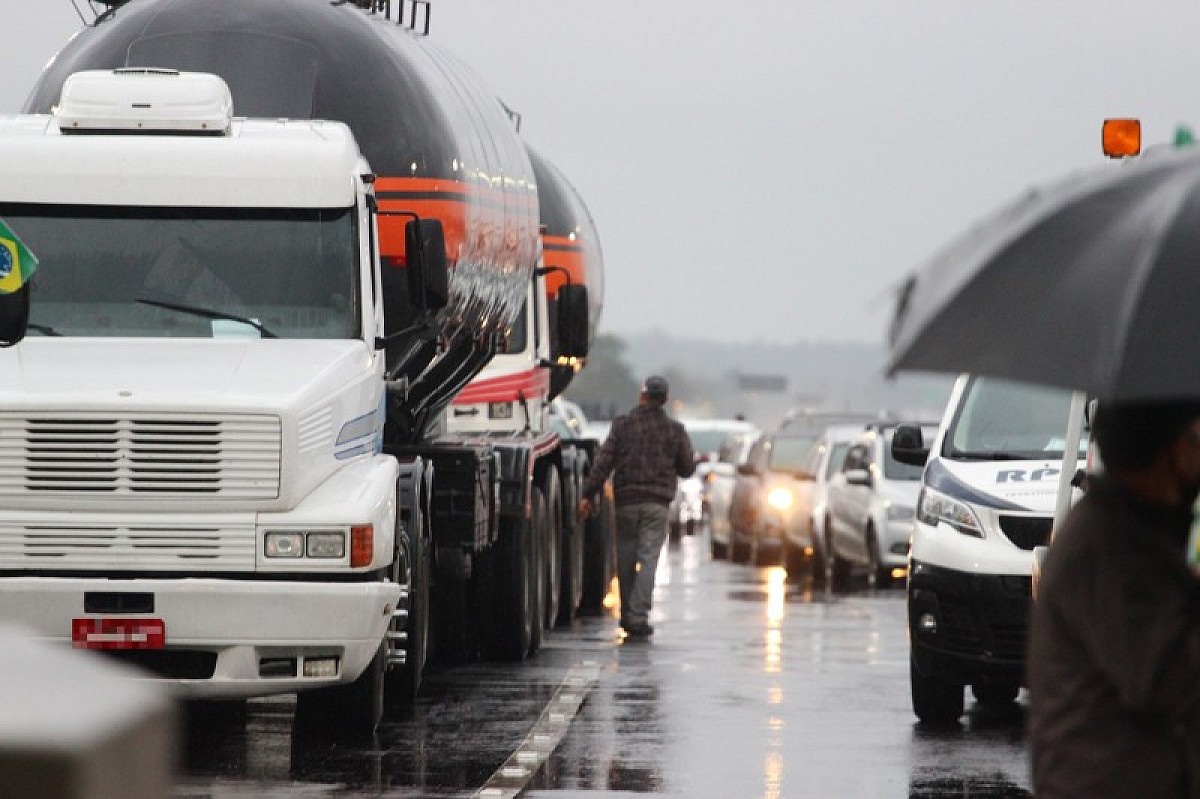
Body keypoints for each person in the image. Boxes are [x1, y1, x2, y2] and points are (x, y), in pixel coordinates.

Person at [1028, 400, 1200, 798]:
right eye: (1194, 436)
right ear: (1170, 452)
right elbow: (1169, 678)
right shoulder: (1111, 546)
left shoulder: (1131, 531)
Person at [578, 375, 695, 638]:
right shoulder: (675, 430)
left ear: (642, 396)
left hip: (627, 503)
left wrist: (587, 494)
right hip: (657, 505)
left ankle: (626, 616)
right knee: (649, 559)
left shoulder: (622, 426)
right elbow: (687, 468)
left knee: (626, 559)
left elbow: (604, 463)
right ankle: (637, 614)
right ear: (664, 400)